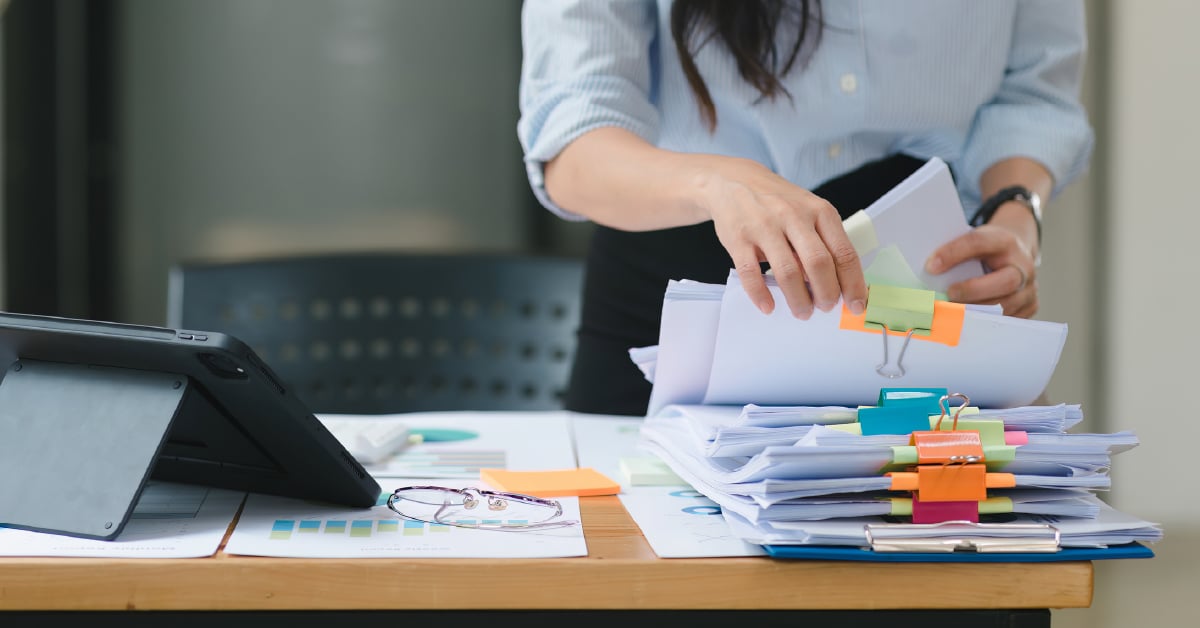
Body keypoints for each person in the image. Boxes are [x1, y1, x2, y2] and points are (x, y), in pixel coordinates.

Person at [517, 0, 1093, 416]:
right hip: (685, 269)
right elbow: (571, 143)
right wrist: (719, 183)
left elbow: (1034, 95)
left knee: (959, 553)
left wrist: (1017, 211)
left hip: (924, 283)